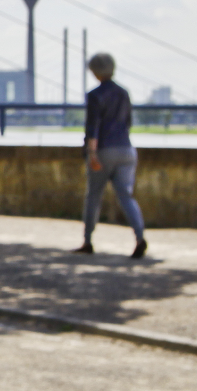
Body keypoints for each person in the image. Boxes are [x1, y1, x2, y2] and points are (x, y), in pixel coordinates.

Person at [76, 53, 147, 259]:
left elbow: (93, 127)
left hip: (104, 150)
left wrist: (92, 153)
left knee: (94, 197)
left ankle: (88, 241)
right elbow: (127, 122)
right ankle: (140, 237)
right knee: (126, 196)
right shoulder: (124, 93)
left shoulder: (95, 95)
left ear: (95, 71)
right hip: (126, 149)